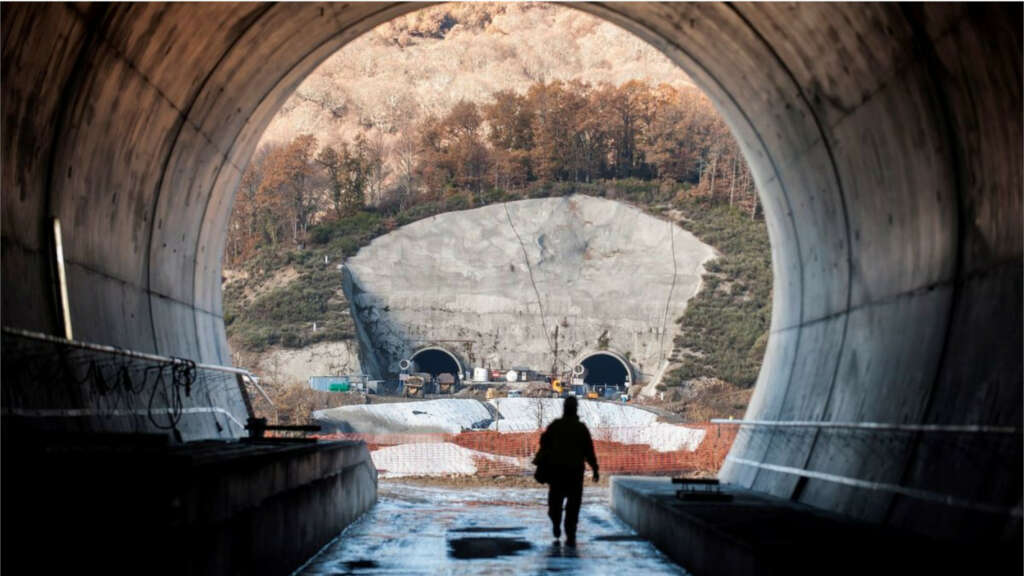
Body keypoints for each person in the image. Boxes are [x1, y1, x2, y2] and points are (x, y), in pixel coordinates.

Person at [537, 396, 599, 547]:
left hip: (557, 473)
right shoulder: (580, 428)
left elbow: (544, 446)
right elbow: (589, 451)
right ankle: (570, 532)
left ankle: (557, 524)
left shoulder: (556, 426)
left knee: (555, 504)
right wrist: (595, 468)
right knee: (573, 506)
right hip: (574, 474)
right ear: (575, 408)